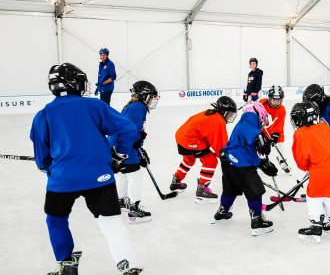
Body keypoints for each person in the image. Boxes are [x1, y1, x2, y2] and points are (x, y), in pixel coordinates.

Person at [30, 63, 143, 275]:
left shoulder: (43, 115)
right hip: (99, 176)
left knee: (56, 219)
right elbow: (127, 127)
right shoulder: (94, 106)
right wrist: (120, 153)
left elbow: (41, 158)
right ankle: (127, 264)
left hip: (62, 180)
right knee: (110, 221)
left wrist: (48, 167)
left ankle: (66, 262)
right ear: (74, 83)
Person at [213, 101, 278, 237]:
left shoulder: (243, 124)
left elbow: (247, 149)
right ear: (259, 113)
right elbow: (257, 141)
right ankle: (257, 221)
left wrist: (261, 164)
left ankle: (223, 211)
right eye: (263, 117)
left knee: (230, 189)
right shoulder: (250, 118)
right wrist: (262, 141)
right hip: (239, 162)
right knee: (254, 189)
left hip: (228, 160)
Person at [291, 101, 330, 242]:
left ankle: (315, 226)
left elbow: (301, 161)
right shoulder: (324, 127)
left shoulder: (300, 133)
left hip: (319, 171)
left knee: (314, 196)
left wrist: (311, 165)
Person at [170, 96, 237, 203]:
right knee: (210, 160)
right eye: (230, 113)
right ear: (224, 111)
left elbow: (205, 132)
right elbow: (221, 146)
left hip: (181, 135)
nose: (230, 116)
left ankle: (176, 182)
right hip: (191, 139)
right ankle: (202, 189)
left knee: (189, 159)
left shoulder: (210, 112)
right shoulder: (218, 121)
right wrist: (229, 159)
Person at [109, 80, 159, 224]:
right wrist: (133, 151)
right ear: (143, 96)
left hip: (119, 146)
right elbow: (130, 131)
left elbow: (132, 131)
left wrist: (140, 150)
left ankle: (121, 201)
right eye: (150, 97)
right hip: (124, 147)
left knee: (124, 174)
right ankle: (134, 209)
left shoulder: (133, 105)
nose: (152, 100)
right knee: (135, 175)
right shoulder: (138, 107)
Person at [259, 85, 289, 173]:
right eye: (274, 100)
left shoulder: (282, 109)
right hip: (262, 130)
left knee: (279, 143)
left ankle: (282, 161)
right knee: (260, 147)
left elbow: (280, 124)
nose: (276, 102)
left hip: (275, 130)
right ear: (269, 98)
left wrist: (275, 134)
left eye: (278, 100)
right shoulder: (262, 103)